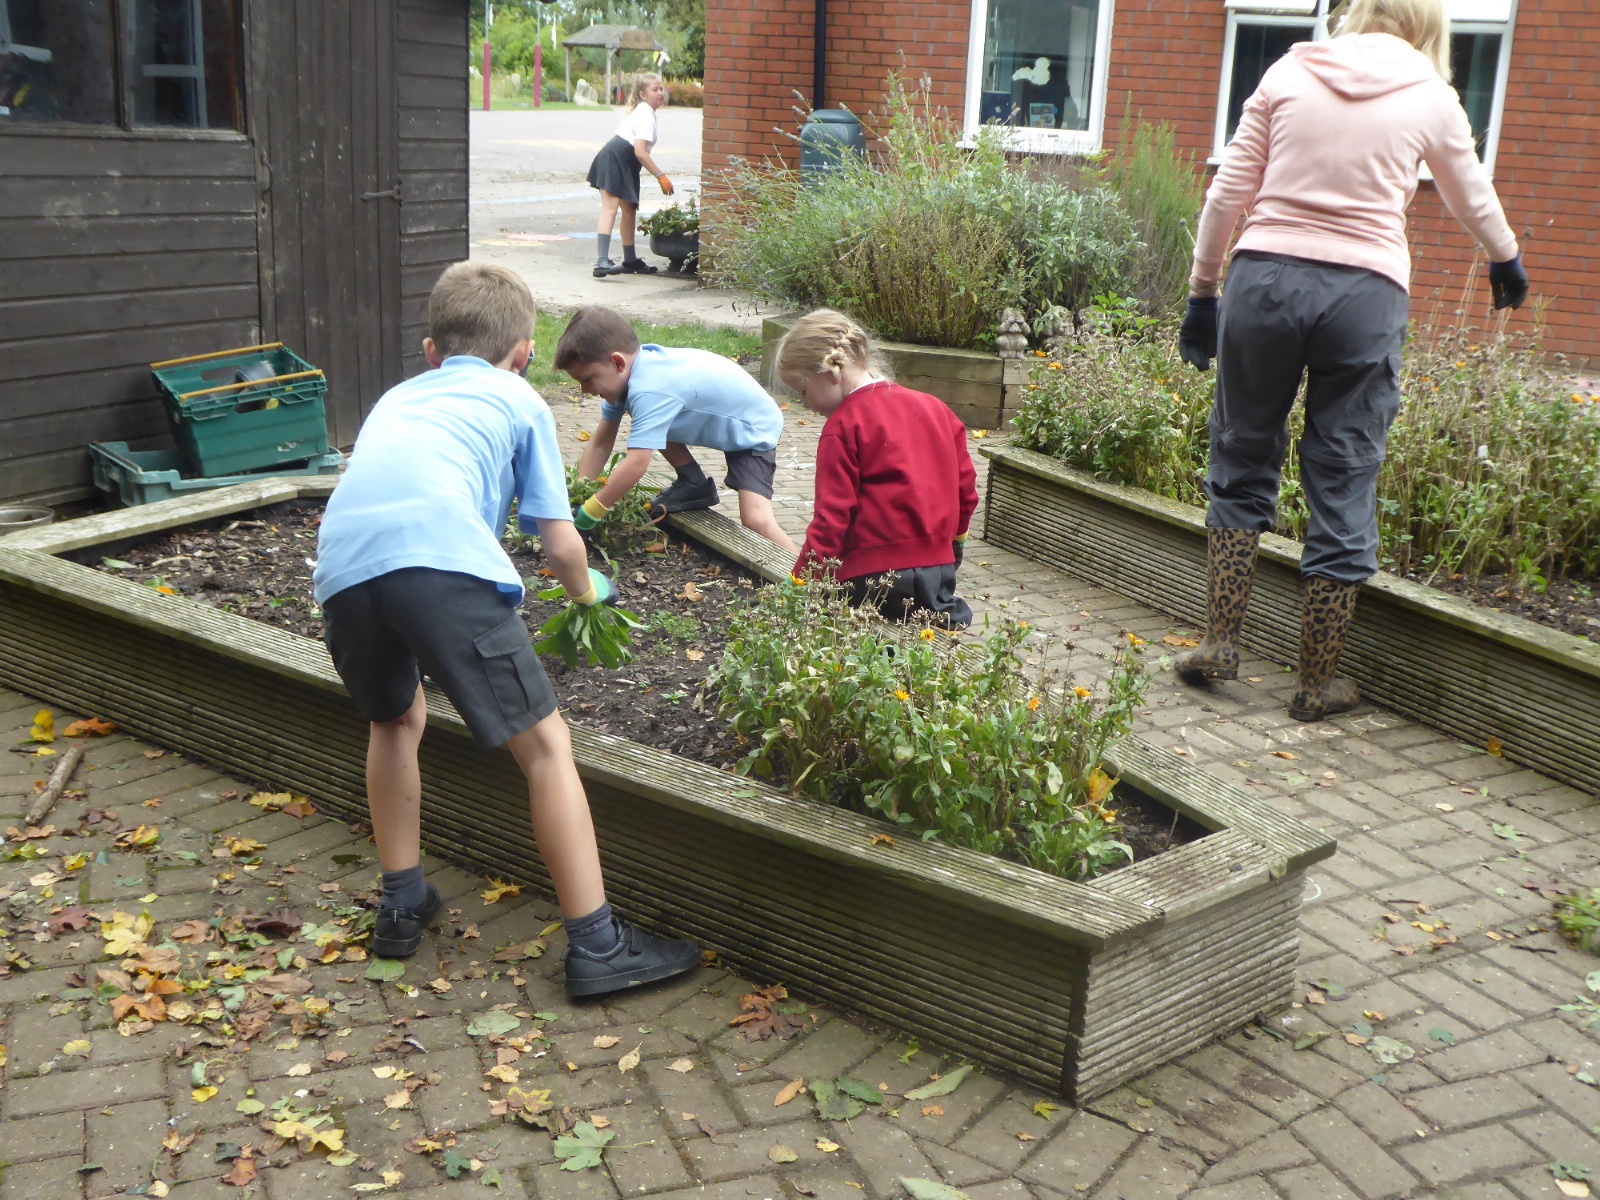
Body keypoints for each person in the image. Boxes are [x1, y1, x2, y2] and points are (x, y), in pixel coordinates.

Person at [312, 262, 699, 997]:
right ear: (523, 355)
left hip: (342, 571)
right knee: (546, 748)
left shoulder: (397, 397)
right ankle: (598, 946)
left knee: (394, 721)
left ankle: (401, 903)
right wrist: (588, 596)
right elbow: (558, 542)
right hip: (442, 566)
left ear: (432, 351)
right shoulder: (519, 400)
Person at [1174, 0, 1528, 722]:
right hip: (1365, 294)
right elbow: (1470, 190)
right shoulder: (1430, 94)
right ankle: (1316, 682)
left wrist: (1203, 293)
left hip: (1265, 281)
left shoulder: (1289, 71)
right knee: (1344, 469)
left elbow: (1226, 193)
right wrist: (1505, 257)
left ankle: (1220, 640)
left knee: (1241, 451)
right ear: (1426, 22)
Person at [776, 309, 977, 627]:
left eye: (803, 391)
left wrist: (799, 584)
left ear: (831, 373)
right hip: (937, 571)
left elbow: (831, 521)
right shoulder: (936, 408)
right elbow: (966, 489)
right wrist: (953, 545)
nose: (806, 404)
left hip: (869, 577)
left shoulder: (842, 426)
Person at [557, 305, 799, 552]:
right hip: (732, 416)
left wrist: (590, 513)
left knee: (756, 520)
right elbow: (600, 444)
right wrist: (579, 496)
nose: (584, 390)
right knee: (648, 426)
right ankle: (694, 483)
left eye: (587, 379)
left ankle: (808, 573)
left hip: (754, 428)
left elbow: (637, 464)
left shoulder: (650, 390)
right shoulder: (631, 374)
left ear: (617, 362)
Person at [586, 73, 672, 279]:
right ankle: (601, 262)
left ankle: (630, 259)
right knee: (610, 208)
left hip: (626, 162)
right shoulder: (645, 114)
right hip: (616, 158)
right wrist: (660, 175)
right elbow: (640, 152)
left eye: (661, 89)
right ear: (642, 94)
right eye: (654, 89)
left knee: (629, 209)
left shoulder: (645, 112)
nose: (660, 93)